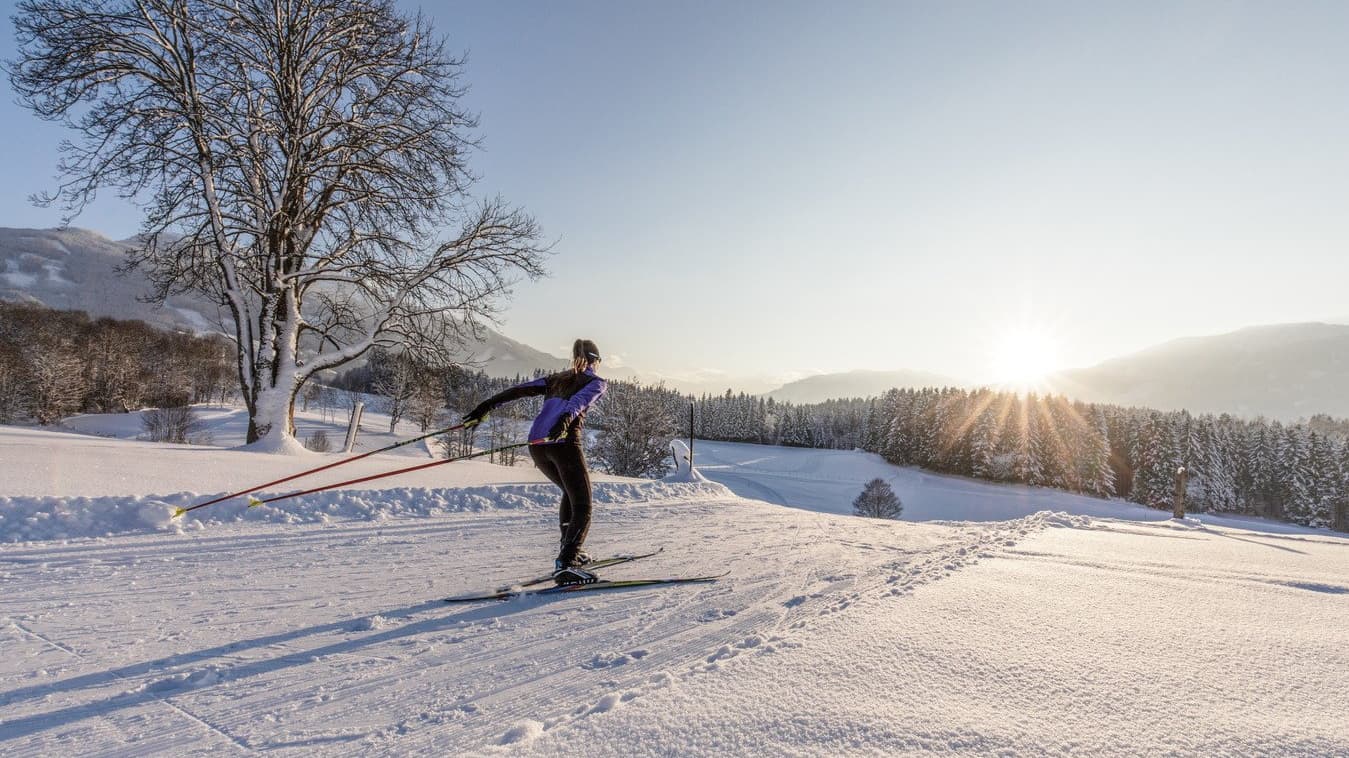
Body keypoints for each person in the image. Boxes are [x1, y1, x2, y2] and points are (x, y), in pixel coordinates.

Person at [462, 339, 608, 584]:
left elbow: (518, 390)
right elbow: (578, 403)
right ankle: (567, 562)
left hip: (538, 446)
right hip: (563, 442)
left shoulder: (555, 379)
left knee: (569, 492)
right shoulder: (596, 382)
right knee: (583, 504)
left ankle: (570, 550)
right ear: (596, 360)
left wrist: (485, 406)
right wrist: (564, 421)